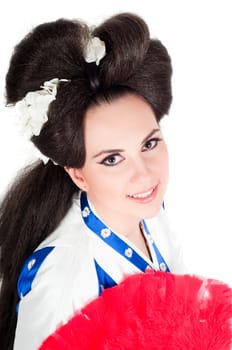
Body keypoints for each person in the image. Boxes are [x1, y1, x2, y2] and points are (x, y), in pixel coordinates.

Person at [0, 12, 186, 350]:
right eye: (112, 159)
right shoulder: (62, 276)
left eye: (150, 143)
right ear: (78, 173)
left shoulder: (151, 213)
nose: (144, 173)